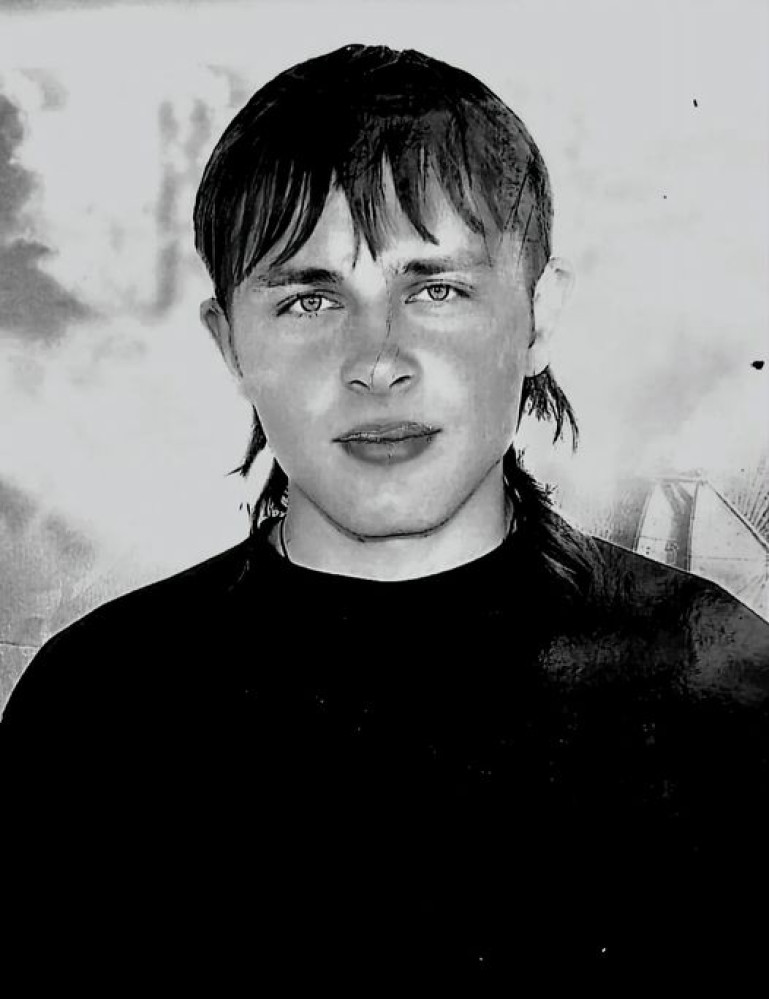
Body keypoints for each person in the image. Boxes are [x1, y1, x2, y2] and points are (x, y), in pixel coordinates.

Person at [2, 44, 768, 989]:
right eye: (309, 298)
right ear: (229, 342)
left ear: (538, 314)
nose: (377, 360)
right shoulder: (95, 710)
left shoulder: (723, 692)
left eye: (435, 289)